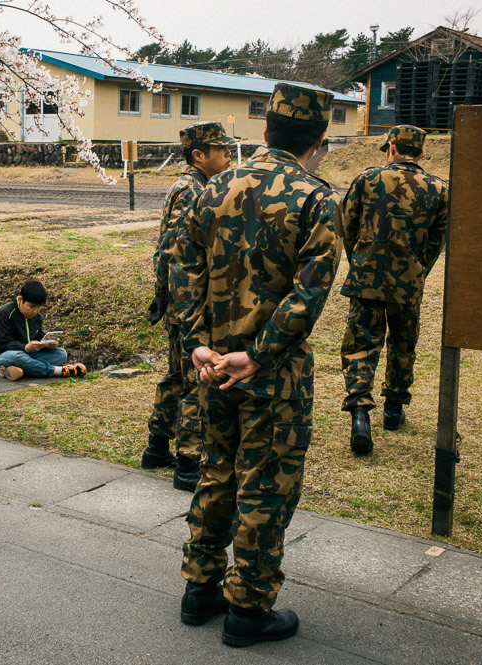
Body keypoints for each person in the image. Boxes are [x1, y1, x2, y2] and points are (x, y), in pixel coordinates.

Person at [175, 82, 342, 648]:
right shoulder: (317, 197)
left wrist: (198, 342)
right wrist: (262, 352)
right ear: (318, 140)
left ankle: (199, 589)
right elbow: (309, 290)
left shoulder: (211, 188)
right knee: (266, 485)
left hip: (212, 364)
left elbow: (184, 269)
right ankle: (247, 608)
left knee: (216, 471)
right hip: (275, 373)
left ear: (264, 129)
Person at [339, 125, 448, 455]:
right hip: (408, 280)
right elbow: (436, 240)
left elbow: (347, 225)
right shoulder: (439, 188)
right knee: (403, 342)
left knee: (361, 343)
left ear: (390, 148)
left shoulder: (367, 179)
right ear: (421, 153)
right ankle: (393, 408)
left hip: (367, 276)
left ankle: (359, 412)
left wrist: (359, 260)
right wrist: (418, 271)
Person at [141, 121, 234, 493]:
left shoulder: (191, 186)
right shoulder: (193, 190)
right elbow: (175, 254)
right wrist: (184, 308)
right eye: (221, 149)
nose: (228, 155)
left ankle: (157, 448)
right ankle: (188, 463)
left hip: (180, 302)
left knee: (176, 376)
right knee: (196, 381)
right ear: (199, 155)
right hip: (188, 303)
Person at [0, 280, 86, 380]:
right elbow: (4, 345)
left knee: (61, 354)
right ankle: (59, 371)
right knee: (18, 356)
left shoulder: (37, 315)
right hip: (2, 356)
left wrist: (47, 345)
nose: (35, 311)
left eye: (39, 307)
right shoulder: (4, 314)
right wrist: (25, 347)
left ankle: (16, 370)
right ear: (20, 300)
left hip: (28, 356)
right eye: (32, 306)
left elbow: (38, 337)